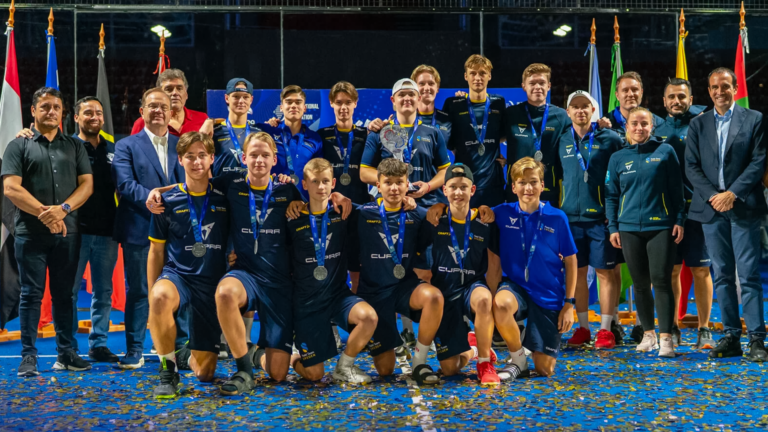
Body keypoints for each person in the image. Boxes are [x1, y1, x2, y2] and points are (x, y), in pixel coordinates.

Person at [2, 87, 94, 377]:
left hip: (67, 233)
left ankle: (66, 353)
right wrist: (47, 214)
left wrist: (62, 210)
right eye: (45, 107)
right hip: (30, 234)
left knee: (65, 295)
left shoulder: (75, 146)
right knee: (30, 295)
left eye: (56, 107)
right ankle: (28, 357)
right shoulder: (18, 145)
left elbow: (87, 185)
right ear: (33, 111)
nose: (51, 111)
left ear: (63, 112)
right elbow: (11, 188)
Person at [685, 67, 768, 362]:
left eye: (725, 86)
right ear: (709, 91)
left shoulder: (754, 119)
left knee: (748, 275)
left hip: (743, 206)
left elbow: (758, 162)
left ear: (735, 89)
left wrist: (732, 193)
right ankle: (731, 336)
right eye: (714, 87)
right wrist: (714, 196)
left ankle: (757, 339)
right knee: (721, 275)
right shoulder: (698, 124)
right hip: (712, 209)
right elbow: (691, 166)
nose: (720, 92)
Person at [146, 132, 229, 398]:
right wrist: (152, 294)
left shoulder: (225, 196)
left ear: (212, 158)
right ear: (180, 160)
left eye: (202, 155)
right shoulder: (165, 202)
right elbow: (156, 250)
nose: (196, 162)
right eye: (190, 156)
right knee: (160, 297)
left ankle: (185, 356)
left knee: (205, 374)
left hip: (211, 282)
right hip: (178, 276)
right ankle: (168, 371)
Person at [350, 158, 444, 385]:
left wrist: (441, 206)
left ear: (407, 184)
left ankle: (419, 362)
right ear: (378, 185)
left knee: (434, 297)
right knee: (385, 370)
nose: (394, 188)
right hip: (374, 294)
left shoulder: (418, 214)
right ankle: (392, 340)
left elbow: (449, 215)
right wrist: (336, 196)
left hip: (404, 288)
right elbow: (329, 205)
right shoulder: (361, 214)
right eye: (388, 182)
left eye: (399, 182)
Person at [113, 87, 186, 369]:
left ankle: (181, 348)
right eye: (152, 106)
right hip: (140, 229)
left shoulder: (181, 144)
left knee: (179, 288)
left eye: (163, 107)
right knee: (140, 291)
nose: (158, 111)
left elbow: (190, 183)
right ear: (142, 111)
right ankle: (135, 349)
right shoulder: (126, 146)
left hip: (178, 232)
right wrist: (154, 198)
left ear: (171, 112)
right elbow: (125, 184)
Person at [287, 158, 378, 383]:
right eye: (314, 181)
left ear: (333, 183)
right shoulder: (292, 219)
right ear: (304, 184)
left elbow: (381, 211)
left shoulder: (343, 212)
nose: (321, 186)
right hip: (307, 303)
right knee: (314, 375)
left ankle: (344, 367)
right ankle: (291, 356)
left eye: (325, 181)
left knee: (368, 317)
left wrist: (412, 201)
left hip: (338, 296)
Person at [606, 107, 685, 358]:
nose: (639, 128)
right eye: (634, 124)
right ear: (627, 127)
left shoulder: (665, 151)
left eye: (644, 124)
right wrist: (613, 227)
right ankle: (648, 335)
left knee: (661, 281)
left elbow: (677, 190)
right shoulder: (618, 158)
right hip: (628, 229)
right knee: (640, 285)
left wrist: (679, 220)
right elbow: (611, 195)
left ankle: (666, 338)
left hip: (660, 226)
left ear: (652, 126)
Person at [488, 157, 577, 377]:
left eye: (534, 182)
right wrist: (441, 207)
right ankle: (518, 358)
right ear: (513, 187)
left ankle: (531, 339)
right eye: (522, 182)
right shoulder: (501, 213)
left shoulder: (557, 218)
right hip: (516, 287)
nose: (528, 188)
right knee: (500, 303)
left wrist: (569, 304)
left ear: (542, 185)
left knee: (544, 369)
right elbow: (473, 212)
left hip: (548, 293)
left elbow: (571, 260)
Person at [556, 91, 623, 350]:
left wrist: (613, 213)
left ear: (593, 110)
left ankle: (605, 330)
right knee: (578, 274)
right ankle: (583, 328)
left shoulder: (610, 138)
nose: (580, 110)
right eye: (575, 107)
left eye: (585, 106)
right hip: (570, 220)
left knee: (605, 273)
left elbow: (620, 176)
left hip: (599, 219)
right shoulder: (562, 139)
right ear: (568, 112)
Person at [424, 164, 501, 385]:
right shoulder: (434, 220)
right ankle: (473, 349)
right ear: (444, 190)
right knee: (450, 369)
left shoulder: (485, 221)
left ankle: (485, 363)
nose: (458, 192)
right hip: (445, 293)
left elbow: (494, 265)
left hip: (471, 287)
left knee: (484, 299)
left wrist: (492, 303)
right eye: (453, 187)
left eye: (464, 187)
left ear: (473, 190)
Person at [655, 78, 714, 350]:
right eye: (671, 97)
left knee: (701, 269)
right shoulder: (656, 128)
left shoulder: (704, 123)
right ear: (664, 101)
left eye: (681, 96)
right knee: (671, 271)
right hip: (665, 212)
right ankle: (672, 326)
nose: (676, 101)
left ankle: (704, 329)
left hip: (698, 210)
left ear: (691, 99)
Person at [69, 97, 120, 362]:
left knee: (103, 291)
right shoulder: (67, 146)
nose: (95, 117)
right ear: (76, 117)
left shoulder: (113, 149)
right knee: (69, 291)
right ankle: (68, 346)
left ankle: (99, 344)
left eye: (98, 113)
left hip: (107, 232)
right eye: (88, 112)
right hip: (74, 231)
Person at [442, 55, 506, 208]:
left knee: (492, 222)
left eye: (483, 73)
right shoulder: (453, 104)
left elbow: (504, 134)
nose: (478, 78)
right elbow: (445, 138)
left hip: (492, 184)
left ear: (489, 76)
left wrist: (499, 156)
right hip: (463, 184)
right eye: (473, 73)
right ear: (466, 76)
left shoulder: (499, 103)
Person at [503, 63, 572, 206]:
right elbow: (489, 136)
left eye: (542, 83)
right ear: (524, 86)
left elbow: (579, 140)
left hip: (549, 192)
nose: (537, 87)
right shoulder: (511, 114)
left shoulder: (561, 116)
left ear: (549, 86)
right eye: (532, 83)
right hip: (517, 192)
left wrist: (600, 126)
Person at [256, 85, 323, 198]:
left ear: (304, 108)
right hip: (273, 200)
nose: (293, 106)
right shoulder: (267, 131)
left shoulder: (315, 139)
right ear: (281, 107)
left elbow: (319, 173)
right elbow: (239, 127)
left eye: (298, 102)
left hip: (303, 202)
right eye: (289, 102)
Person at [317, 81, 370, 206]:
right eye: (339, 103)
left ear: (355, 103)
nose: (343, 107)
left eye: (348, 102)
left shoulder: (366, 135)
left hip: (360, 203)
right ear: (331, 103)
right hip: (330, 203)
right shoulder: (321, 135)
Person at [131, 69, 208, 137]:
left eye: (179, 88)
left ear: (186, 94)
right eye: (169, 89)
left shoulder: (203, 119)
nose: (175, 93)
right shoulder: (143, 123)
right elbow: (133, 147)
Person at [203, 78, 254, 176]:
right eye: (236, 96)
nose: (241, 101)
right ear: (227, 98)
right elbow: (204, 165)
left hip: (250, 186)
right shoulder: (214, 132)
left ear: (251, 100)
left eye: (245, 97)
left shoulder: (258, 133)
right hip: (220, 185)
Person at [603, 71, 664, 143]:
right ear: (617, 95)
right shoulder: (604, 125)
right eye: (625, 90)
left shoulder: (659, 124)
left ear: (641, 93)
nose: (630, 94)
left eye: (634, 90)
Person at [411, 65, 451, 142]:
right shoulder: (404, 119)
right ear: (414, 88)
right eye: (422, 83)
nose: (427, 88)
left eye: (431, 83)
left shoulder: (447, 120)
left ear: (437, 88)